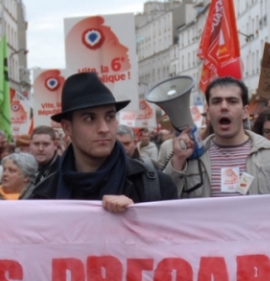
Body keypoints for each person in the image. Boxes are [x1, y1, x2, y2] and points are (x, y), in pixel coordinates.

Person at [31, 71, 177, 208]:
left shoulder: (154, 186)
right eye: (89, 118)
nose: (104, 128)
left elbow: (170, 234)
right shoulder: (43, 197)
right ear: (67, 127)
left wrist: (137, 217)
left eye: (110, 117)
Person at [168, 76, 270, 198]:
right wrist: (178, 162)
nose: (224, 107)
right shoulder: (191, 158)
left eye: (232, 101)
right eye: (216, 101)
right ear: (208, 113)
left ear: (245, 112)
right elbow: (166, 206)